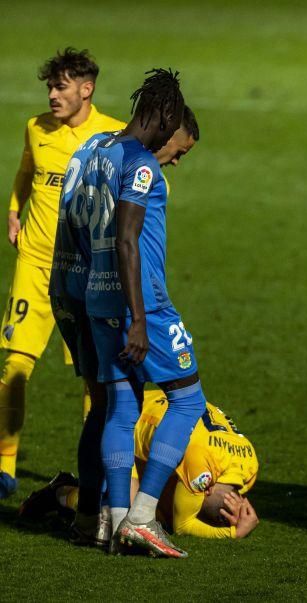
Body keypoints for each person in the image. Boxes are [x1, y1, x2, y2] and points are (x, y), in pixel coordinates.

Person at [49, 107, 200, 545]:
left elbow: (73, 218)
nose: (176, 160)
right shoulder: (140, 163)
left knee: (110, 406)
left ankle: (103, 520)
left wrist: (84, 289)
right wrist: (135, 314)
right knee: (186, 400)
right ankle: (139, 514)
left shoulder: (91, 148)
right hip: (134, 298)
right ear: (170, 125)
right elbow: (127, 238)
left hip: (77, 289)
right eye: (181, 150)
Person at [0, 48, 124, 498]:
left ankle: (94, 472)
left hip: (84, 269)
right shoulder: (36, 128)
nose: (52, 95)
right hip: (34, 261)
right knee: (14, 363)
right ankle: (5, 466)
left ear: (86, 89)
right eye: (49, 87)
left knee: (93, 376)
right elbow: (25, 171)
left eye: (61, 87)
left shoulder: (113, 135)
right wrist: (14, 209)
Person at [19, 390, 259, 541]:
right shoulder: (202, 471)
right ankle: (61, 492)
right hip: (128, 424)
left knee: (159, 514)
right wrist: (232, 533)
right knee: (125, 517)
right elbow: (183, 525)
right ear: (206, 487)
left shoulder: (250, 465)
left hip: (162, 410)